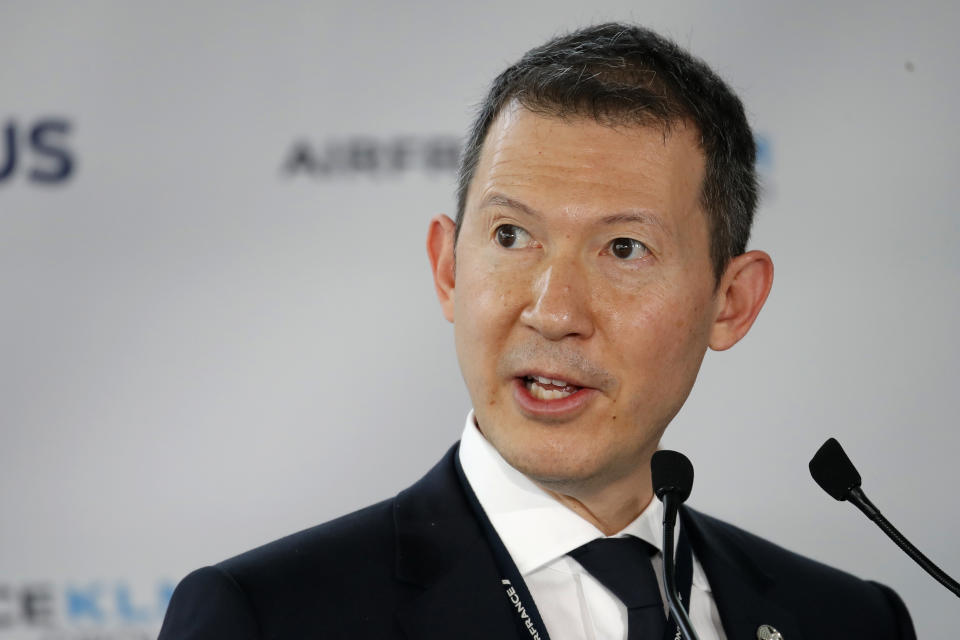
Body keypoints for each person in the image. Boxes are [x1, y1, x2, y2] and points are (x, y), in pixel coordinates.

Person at [158, 23, 915, 640]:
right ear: (449, 268)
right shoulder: (267, 619)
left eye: (624, 249)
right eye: (513, 236)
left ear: (732, 301)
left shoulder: (852, 622)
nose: (554, 312)